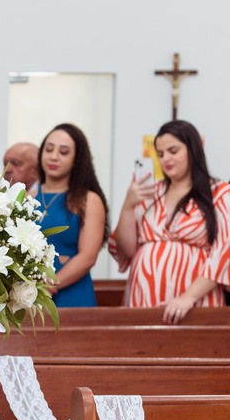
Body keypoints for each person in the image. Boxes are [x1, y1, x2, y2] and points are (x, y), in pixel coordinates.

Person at [112, 119, 230, 322]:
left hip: (195, 303)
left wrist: (188, 298)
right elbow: (127, 250)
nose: (165, 159)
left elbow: (224, 252)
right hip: (143, 298)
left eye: (173, 151)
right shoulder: (150, 192)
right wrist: (128, 206)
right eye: (160, 154)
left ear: (193, 150)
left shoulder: (219, 192)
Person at [37, 124, 108, 307]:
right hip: (29, 295)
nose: (54, 156)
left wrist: (49, 284)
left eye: (63, 152)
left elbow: (87, 257)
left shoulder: (88, 200)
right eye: (49, 149)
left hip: (70, 292)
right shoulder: (27, 196)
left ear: (77, 159)